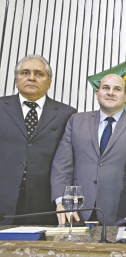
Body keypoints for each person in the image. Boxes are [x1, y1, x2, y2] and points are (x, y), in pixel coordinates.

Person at [51, 74, 126, 226]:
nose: (110, 93)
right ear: (97, 93)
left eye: (117, 89)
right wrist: (62, 200)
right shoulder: (76, 120)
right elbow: (62, 165)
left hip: (124, 213)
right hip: (77, 213)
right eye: (106, 88)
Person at [0, 55, 76, 225]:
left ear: (49, 83)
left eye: (39, 74)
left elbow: (67, 161)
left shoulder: (67, 114)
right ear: (16, 79)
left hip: (44, 204)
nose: (31, 78)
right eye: (25, 73)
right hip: (3, 199)